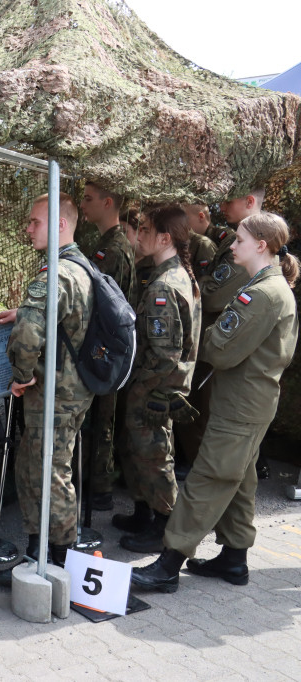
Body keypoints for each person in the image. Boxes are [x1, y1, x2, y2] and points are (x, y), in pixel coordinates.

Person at [131, 212, 299, 592]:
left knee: (208, 477)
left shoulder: (262, 294)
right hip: (249, 402)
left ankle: (169, 564)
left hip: (241, 406)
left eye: (240, 240)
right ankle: (234, 558)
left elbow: (220, 351)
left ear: (261, 245)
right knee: (239, 477)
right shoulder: (267, 286)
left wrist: (197, 334)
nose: (233, 246)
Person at [0, 192, 94, 588]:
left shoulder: (55, 274)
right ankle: (41, 553)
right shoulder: (79, 268)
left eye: (35, 222)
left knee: (48, 473)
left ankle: (57, 563)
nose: (28, 229)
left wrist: (21, 373)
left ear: (60, 225)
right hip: (70, 389)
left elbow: (30, 334)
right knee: (40, 468)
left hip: (54, 393)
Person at [115, 205, 202, 553]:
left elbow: (165, 354)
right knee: (139, 449)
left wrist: (139, 382)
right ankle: (144, 513)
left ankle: (164, 526)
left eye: (147, 229)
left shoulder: (164, 285)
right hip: (160, 384)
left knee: (154, 455)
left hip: (156, 386)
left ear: (165, 238)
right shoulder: (174, 274)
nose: (141, 234)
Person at [183, 189, 268, 477]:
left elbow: (214, 296)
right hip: (223, 341)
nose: (222, 206)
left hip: (225, 344)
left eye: (229, 200)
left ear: (250, 202)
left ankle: (208, 474)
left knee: (211, 412)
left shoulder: (243, 246)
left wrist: (194, 280)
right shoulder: (233, 241)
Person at [78, 182, 135, 512]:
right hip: (108, 343)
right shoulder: (107, 243)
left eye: (89, 199)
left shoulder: (112, 248)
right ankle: (97, 484)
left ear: (108, 202)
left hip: (106, 345)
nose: (85, 205)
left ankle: (98, 487)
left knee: (102, 417)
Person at [182, 202, 218, 276]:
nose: (183, 223)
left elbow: (206, 280)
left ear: (201, 217)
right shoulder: (192, 241)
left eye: (185, 219)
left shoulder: (203, 243)